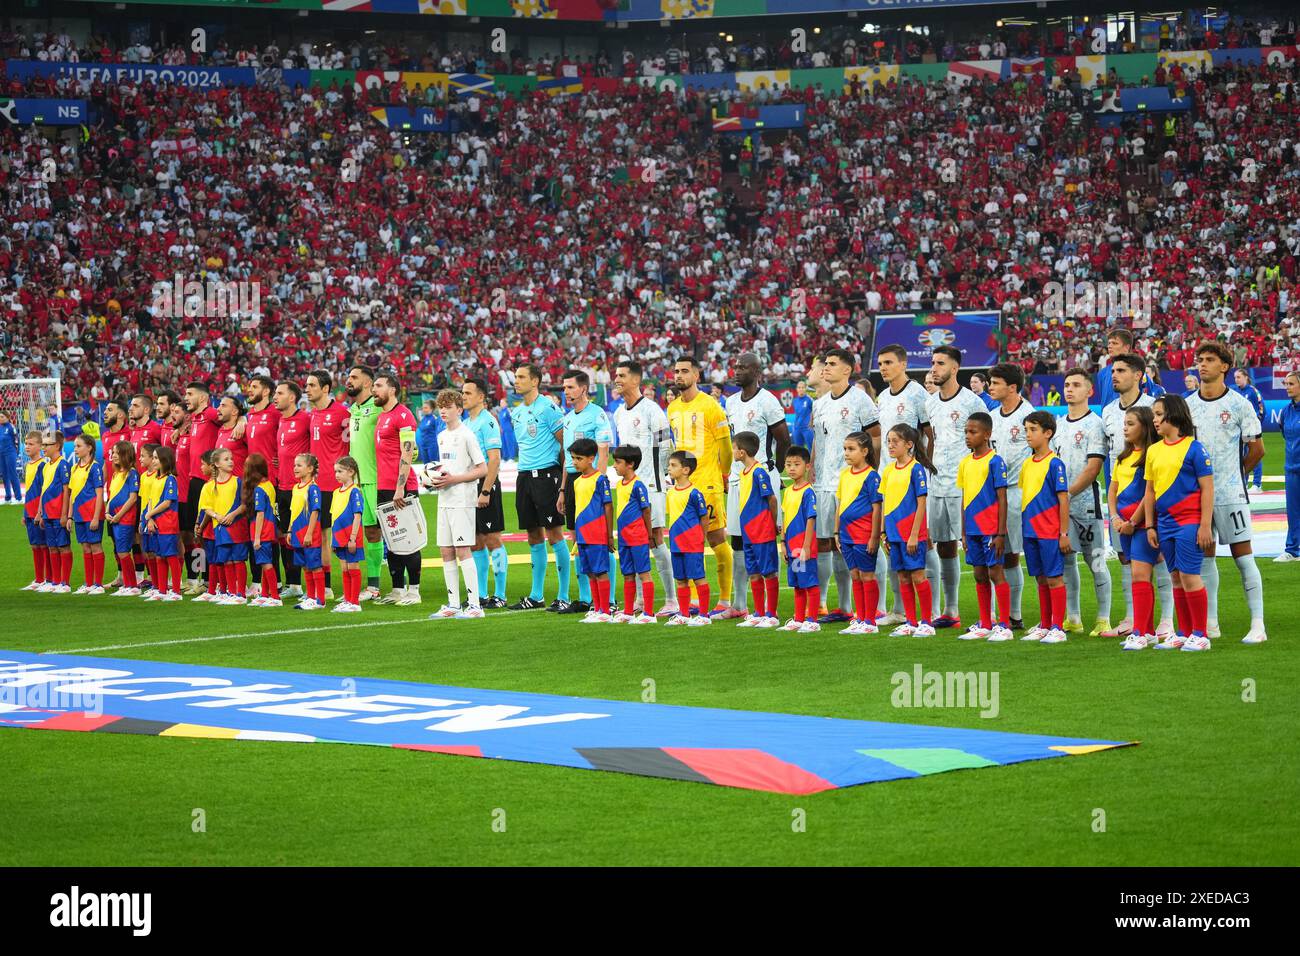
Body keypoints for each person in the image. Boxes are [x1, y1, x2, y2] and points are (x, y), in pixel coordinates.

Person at [1187, 342, 1266, 643]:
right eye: (1200, 360)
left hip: (1231, 494)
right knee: (1205, 558)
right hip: (1197, 497)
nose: (1202, 365)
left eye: (1209, 360)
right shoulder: (1188, 404)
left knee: (1243, 557)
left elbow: (1258, 448)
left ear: (1224, 366)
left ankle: (1258, 624)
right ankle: (1211, 622)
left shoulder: (1239, 404)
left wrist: (1237, 473)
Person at [1101, 352, 1173, 638]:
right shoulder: (1107, 411)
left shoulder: (1154, 406)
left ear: (1138, 375)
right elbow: (1109, 456)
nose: (1114, 375)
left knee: (1159, 559)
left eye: (1120, 370)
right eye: (1112, 371)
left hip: (1153, 497)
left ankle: (1166, 619)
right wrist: (1115, 512)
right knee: (1125, 558)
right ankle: (1133, 618)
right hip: (1122, 499)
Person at [811, 349, 880, 624]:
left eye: (832, 364)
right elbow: (819, 440)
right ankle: (842, 606)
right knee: (828, 541)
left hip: (853, 482)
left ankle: (876, 607)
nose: (826, 368)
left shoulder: (860, 399)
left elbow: (875, 436)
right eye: (825, 363)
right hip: (824, 482)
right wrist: (813, 468)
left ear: (847, 370)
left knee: (862, 543)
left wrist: (867, 473)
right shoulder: (821, 403)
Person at [667, 356, 735, 617]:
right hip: (682, 488)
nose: (679, 375)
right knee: (687, 541)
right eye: (676, 371)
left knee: (716, 538)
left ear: (696, 375)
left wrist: (724, 473)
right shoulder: (672, 408)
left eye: (685, 371)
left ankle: (726, 600)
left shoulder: (711, 406)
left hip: (707, 484)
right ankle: (694, 599)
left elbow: (726, 447)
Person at [1146, 394, 1215, 651]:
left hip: (1189, 522)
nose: (1154, 419)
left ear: (1173, 415)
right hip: (1164, 524)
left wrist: (1205, 525)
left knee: (1189, 575)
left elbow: (1207, 488)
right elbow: (1150, 492)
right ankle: (1185, 633)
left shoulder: (1195, 448)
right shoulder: (1154, 450)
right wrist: (1150, 525)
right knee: (1175, 576)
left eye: (1158, 414)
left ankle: (1201, 634)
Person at [926, 345, 987, 628]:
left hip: (966, 487)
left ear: (955, 368)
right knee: (944, 547)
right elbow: (932, 439)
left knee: (977, 547)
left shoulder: (972, 402)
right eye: (933, 363)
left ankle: (992, 613)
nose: (934, 368)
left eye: (940, 363)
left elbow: (987, 442)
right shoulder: (931, 403)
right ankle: (950, 610)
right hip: (938, 484)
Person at [611, 360, 677, 615]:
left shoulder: (653, 411)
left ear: (636, 380)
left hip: (651, 484)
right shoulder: (618, 413)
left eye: (622, 375)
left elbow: (666, 447)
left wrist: (659, 476)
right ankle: (639, 599)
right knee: (632, 539)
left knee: (655, 538)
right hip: (628, 487)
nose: (617, 379)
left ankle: (672, 599)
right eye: (616, 375)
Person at [875, 345, 934, 625]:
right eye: (880, 363)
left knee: (923, 544)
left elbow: (930, 435)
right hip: (891, 478)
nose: (883, 367)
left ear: (903, 363)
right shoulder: (883, 396)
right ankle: (900, 611)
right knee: (894, 548)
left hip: (913, 477)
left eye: (888, 362)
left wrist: (926, 469)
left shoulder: (918, 394)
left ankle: (931, 612)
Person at [1052, 368, 1112, 635]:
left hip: (1086, 505)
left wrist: (1066, 495)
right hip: (1061, 506)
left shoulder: (1095, 424)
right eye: (1066, 384)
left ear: (1090, 391)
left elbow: (1093, 468)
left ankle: (1103, 618)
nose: (1069, 389)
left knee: (1095, 561)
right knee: (1066, 561)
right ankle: (1073, 618)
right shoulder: (1058, 425)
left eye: (1076, 385)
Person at [507, 363, 567, 611]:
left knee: (554, 533)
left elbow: (565, 446)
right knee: (533, 534)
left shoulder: (549, 408)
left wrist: (563, 484)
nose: (516, 381)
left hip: (547, 475)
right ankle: (536, 595)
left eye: (521, 377)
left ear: (535, 381)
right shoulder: (517, 413)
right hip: (524, 476)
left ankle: (563, 595)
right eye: (515, 377)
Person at [426, 388, 488, 620]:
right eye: (441, 406)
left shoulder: (467, 435)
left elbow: (482, 468)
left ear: (459, 410)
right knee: (445, 551)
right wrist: (435, 480)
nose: (443, 410)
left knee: (463, 550)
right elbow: (446, 469)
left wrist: (454, 479)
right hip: (445, 500)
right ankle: (453, 603)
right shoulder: (441, 436)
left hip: (462, 500)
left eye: (448, 406)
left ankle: (474, 605)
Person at [559, 369, 613, 616]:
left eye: (570, 387)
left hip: (590, 481)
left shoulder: (598, 415)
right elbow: (567, 459)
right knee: (577, 539)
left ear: (583, 389)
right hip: (572, 481)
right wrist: (562, 489)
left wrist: (598, 483)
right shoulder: (568, 418)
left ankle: (609, 599)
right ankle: (585, 598)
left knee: (599, 541)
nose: (566, 391)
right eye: (564, 387)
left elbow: (603, 451)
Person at [957, 413, 1013, 641]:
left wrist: (1000, 533)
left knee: (995, 573)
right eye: (966, 432)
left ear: (987, 434)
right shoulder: (965, 462)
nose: (968, 437)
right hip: (972, 530)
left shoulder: (995, 461)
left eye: (973, 432)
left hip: (990, 529)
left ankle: (1005, 625)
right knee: (979, 575)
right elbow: (964, 498)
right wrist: (962, 531)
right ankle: (985, 623)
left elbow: (1002, 498)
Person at [988, 363, 1035, 629]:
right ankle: (999, 614)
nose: (990, 387)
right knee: (994, 553)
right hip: (994, 495)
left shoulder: (1029, 416)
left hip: (1019, 493)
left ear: (1012, 387)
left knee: (1012, 553)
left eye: (995, 383)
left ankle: (1014, 615)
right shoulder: (992, 417)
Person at [1018, 412, 1071, 644]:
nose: (1028, 434)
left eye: (1033, 430)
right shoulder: (1027, 464)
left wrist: (1063, 533)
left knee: (1054, 578)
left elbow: (1063, 499)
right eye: (1027, 430)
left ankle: (1058, 626)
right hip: (1030, 531)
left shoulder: (1055, 464)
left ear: (1047, 433)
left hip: (1049, 532)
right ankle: (1045, 623)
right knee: (1040, 578)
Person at [1111, 406, 1160, 650]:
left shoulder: (1151, 456)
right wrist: (1115, 518)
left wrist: (1133, 522)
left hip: (1142, 525)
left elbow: (1148, 494)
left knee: (1140, 575)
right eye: (1124, 423)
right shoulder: (1122, 457)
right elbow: (1113, 489)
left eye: (1131, 424)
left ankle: (1139, 632)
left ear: (1145, 427)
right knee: (1139, 576)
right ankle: (1148, 630)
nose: (1125, 428)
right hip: (1124, 526)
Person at [879, 424, 935, 637]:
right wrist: (884, 533)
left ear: (909, 445)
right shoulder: (888, 470)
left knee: (918, 576)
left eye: (895, 441)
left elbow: (921, 503)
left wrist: (914, 534)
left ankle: (927, 622)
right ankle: (911, 621)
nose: (890, 445)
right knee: (902, 576)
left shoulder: (916, 469)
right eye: (889, 441)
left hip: (911, 534)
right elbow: (885, 502)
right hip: (894, 534)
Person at [373, 372, 423, 606]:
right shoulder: (382, 417)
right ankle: (397, 590)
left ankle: (414, 591)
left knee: (408, 540)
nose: (374, 389)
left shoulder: (403, 415)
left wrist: (400, 488)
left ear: (392, 389)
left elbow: (407, 452)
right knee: (392, 541)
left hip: (401, 488)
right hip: (384, 487)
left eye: (379, 385)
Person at [463, 378, 508, 608]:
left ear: (481, 397)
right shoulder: (466, 422)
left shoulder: (487, 421)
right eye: (463, 392)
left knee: (492, 539)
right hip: (470, 485)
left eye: (468, 393)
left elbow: (495, 459)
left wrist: (486, 490)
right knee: (476, 541)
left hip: (485, 484)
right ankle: (480, 594)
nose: (464, 396)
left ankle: (499, 595)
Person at [344, 365, 385, 602]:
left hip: (375, 480)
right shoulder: (354, 409)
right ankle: (367, 586)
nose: (349, 381)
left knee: (375, 532)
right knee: (361, 533)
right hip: (355, 483)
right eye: (349, 377)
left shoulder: (378, 409)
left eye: (354, 377)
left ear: (368, 383)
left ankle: (380, 586)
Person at [731, 431, 781, 628]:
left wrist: (772, 523)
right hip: (748, 532)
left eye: (734, 448)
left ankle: (772, 614)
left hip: (762, 530)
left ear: (742, 452)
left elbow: (772, 499)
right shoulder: (744, 473)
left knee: (768, 571)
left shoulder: (759, 472)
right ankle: (759, 612)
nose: (732, 451)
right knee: (753, 572)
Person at [308, 368, 350, 601]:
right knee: (320, 536)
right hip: (316, 485)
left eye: (312, 385)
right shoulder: (312, 414)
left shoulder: (341, 413)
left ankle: (340, 588)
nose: (307, 389)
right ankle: (325, 587)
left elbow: (350, 446)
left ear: (325, 388)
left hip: (334, 485)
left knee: (336, 537)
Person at [565, 437, 615, 623]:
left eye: (578, 458)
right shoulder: (577, 482)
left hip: (597, 533)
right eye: (573, 458)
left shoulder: (600, 479)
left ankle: (605, 611)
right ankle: (597, 608)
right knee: (590, 572)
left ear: (591, 458)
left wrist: (609, 535)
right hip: (583, 535)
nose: (575, 462)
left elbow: (608, 507)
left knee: (600, 571)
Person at [836, 430, 881, 635]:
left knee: (867, 575)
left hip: (863, 534)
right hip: (846, 535)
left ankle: (870, 621)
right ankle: (860, 618)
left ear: (864, 451)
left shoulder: (871, 476)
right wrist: (836, 532)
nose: (846, 453)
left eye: (851, 449)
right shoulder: (845, 474)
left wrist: (874, 535)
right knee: (854, 575)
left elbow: (876, 507)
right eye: (845, 449)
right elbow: (841, 503)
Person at [609, 445, 658, 625]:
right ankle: (629, 612)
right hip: (624, 537)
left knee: (644, 573)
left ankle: (649, 614)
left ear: (630, 464)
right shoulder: (620, 484)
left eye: (618, 462)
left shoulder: (638, 485)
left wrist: (649, 535)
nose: (614, 466)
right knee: (628, 574)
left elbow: (646, 510)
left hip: (637, 536)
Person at [663, 450, 712, 627]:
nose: (669, 468)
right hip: (676, 543)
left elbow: (704, 517)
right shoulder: (671, 492)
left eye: (673, 465)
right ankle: (684, 614)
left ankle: (704, 615)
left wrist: (701, 537)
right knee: (681, 579)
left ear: (685, 470)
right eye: (669, 465)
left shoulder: (695, 493)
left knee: (698, 578)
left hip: (692, 543)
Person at [274, 380, 309, 598]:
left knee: (304, 536)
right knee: (285, 537)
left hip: (300, 488)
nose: (275, 397)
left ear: (292, 397)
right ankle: (294, 585)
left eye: (280, 393)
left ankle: (314, 586)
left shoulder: (305, 419)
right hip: (282, 486)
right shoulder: (279, 420)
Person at [779, 445, 820, 633]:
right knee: (797, 584)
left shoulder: (808, 492)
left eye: (797, 464)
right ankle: (798, 618)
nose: (792, 468)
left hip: (803, 548)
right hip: (792, 547)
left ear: (807, 466)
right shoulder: (787, 492)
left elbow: (811, 519)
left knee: (809, 583)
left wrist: (806, 546)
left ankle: (812, 619)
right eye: (788, 464)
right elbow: (786, 518)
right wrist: (783, 543)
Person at [206, 447, 249, 605]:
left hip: (236, 526)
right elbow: (207, 507)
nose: (231, 461)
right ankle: (231, 592)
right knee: (226, 561)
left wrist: (232, 515)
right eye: (226, 459)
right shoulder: (211, 485)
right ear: (216, 464)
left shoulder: (238, 481)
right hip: (220, 527)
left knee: (238, 559)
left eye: (231, 458)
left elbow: (245, 504)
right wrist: (217, 516)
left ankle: (241, 594)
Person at [64, 432, 105, 594]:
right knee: (85, 548)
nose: (75, 449)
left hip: (92, 514)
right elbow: (72, 494)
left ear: (89, 448)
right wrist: (69, 516)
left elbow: (100, 494)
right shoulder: (74, 468)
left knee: (95, 546)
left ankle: (98, 584)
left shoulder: (95, 468)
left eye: (78, 446)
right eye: (74, 446)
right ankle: (88, 584)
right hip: (79, 515)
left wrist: (96, 517)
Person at [142, 446, 182, 601]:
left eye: (156, 458)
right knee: (159, 556)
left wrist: (149, 514)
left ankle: (176, 591)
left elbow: (167, 502)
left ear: (165, 460)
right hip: (156, 523)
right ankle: (162, 590)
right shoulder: (155, 479)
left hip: (168, 523)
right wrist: (150, 519)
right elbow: (151, 500)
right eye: (153, 457)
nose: (154, 461)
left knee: (170, 555)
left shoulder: (170, 479)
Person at [327, 456, 365, 613]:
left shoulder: (355, 491)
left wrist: (353, 538)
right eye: (335, 471)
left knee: (352, 567)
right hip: (339, 537)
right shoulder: (336, 492)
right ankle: (347, 600)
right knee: (344, 569)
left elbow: (357, 515)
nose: (336, 474)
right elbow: (333, 517)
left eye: (340, 471)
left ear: (351, 472)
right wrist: (332, 539)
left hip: (351, 538)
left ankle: (355, 602)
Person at [288, 453, 325, 611]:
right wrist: (289, 530)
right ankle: (310, 597)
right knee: (305, 566)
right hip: (297, 533)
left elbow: (315, 512)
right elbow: (293, 511)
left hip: (309, 533)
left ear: (310, 469)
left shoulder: (313, 488)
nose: (295, 468)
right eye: (295, 465)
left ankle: (320, 600)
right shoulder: (296, 487)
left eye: (299, 465)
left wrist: (309, 533)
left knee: (314, 565)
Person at [105, 440, 142, 597]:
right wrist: (107, 511)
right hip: (114, 518)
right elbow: (112, 495)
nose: (113, 456)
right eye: (112, 453)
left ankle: (132, 585)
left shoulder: (132, 473)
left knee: (124, 551)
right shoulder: (115, 474)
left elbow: (133, 498)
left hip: (125, 518)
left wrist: (119, 515)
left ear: (125, 455)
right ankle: (128, 584)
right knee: (121, 551)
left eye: (116, 453)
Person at [246, 452, 283, 608]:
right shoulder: (268, 485)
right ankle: (265, 594)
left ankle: (274, 596)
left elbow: (260, 513)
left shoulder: (259, 490)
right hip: (269, 529)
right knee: (265, 563)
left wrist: (257, 537)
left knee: (266, 564)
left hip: (263, 532)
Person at [37, 431, 72, 593]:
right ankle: (56, 581)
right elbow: (44, 491)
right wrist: (41, 512)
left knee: (63, 546)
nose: (43, 447)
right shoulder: (46, 466)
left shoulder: (63, 464)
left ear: (57, 446)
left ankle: (65, 582)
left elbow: (67, 491)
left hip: (59, 513)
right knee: (52, 547)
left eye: (46, 444)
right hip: (48, 514)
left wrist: (64, 514)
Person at [20, 430, 49, 590]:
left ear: (40, 446)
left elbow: (43, 491)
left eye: (31, 444)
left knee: (43, 545)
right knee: (34, 545)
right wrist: (25, 512)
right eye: (26, 443)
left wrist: (41, 512)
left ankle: (47, 578)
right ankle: (38, 579)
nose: (27, 447)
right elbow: (29, 491)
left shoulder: (43, 465)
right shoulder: (28, 465)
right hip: (29, 511)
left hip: (39, 512)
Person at [193, 450, 222, 603]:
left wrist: (201, 525)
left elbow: (208, 510)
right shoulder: (208, 484)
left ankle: (216, 589)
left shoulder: (212, 486)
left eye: (203, 464)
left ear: (212, 466)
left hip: (211, 528)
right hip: (207, 528)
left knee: (216, 559)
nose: (200, 467)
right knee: (212, 559)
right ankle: (214, 588)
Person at [1232, 368, 1266, 492]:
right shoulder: (1235, 392)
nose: (1236, 380)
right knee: (1241, 456)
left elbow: (1262, 409)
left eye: (1239, 377)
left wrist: (1255, 428)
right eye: (1235, 377)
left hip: (1250, 430)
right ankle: (1244, 483)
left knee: (1253, 453)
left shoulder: (1252, 392)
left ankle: (1257, 484)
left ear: (1246, 377)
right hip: (1239, 431)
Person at [1278, 371, 1300, 563]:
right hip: (1291, 468)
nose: (1287, 387)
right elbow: (1285, 434)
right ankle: (1292, 550)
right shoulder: (1285, 411)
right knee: (1293, 511)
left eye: (1291, 384)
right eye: (1286, 384)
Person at [136, 444, 162, 598]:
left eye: (143, 456)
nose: (140, 458)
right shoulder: (143, 476)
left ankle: (161, 584)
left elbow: (154, 500)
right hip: (145, 518)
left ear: (153, 459)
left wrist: (151, 517)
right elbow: (143, 499)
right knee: (148, 552)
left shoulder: (158, 477)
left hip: (154, 518)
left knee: (156, 551)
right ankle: (155, 583)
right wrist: (141, 519)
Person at [0, 410, 19, 503]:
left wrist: (16, 453)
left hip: (10, 453)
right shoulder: (0, 427)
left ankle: (18, 498)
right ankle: (8, 498)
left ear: (7, 417)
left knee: (12, 475)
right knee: (4, 476)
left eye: (2, 417)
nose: (0, 418)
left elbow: (16, 441)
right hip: (1, 454)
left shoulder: (11, 427)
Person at [791, 380, 815, 450]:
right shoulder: (795, 400)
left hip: (807, 428)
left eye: (802, 387)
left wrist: (811, 423)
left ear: (805, 389)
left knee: (811, 448)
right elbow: (797, 414)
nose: (801, 389)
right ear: (797, 389)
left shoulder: (809, 400)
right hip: (797, 428)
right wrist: (795, 426)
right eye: (799, 387)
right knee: (798, 449)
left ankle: (811, 461)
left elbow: (814, 411)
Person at [416, 399, 442, 464]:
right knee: (426, 466)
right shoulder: (423, 419)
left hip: (432, 445)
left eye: (426, 408)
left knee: (433, 465)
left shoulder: (434, 418)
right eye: (423, 408)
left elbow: (439, 431)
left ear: (431, 409)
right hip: (423, 445)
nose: (424, 409)